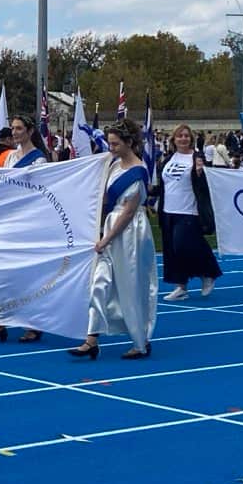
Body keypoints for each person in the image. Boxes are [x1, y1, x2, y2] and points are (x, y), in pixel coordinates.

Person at [68, 119, 158, 360]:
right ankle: (91, 339)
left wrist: (105, 238)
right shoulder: (113, 164)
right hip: (110, 227)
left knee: (131, 286)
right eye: (110, 143)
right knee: (99, 281)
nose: (111, 148)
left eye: (116, 144)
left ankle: (140, 341)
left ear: (129, 143)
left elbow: (129, 212)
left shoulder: (139, 172)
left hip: (130, 234)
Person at [0, 115, 50, 344]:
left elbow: (40, 193)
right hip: (7, 220)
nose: (15, 132)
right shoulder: (9, 157)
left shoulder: (39, 161)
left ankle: (33, 323)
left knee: (27, 275)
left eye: (19, 128)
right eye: (13, 128)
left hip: (28, 223)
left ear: (29, 131)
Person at [155, 124, 222, 301]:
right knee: (172, 251)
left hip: (189, 210)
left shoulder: (197, 158)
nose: (183, 139)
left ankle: (208, 272)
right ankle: (181, 286)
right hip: (169, 210)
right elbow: (164, 184)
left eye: (186, 136)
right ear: (174, 139)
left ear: (191, 139)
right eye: (179, 136)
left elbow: (205, 184)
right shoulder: (168, 159)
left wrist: (200, 172)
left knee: (184, 245)